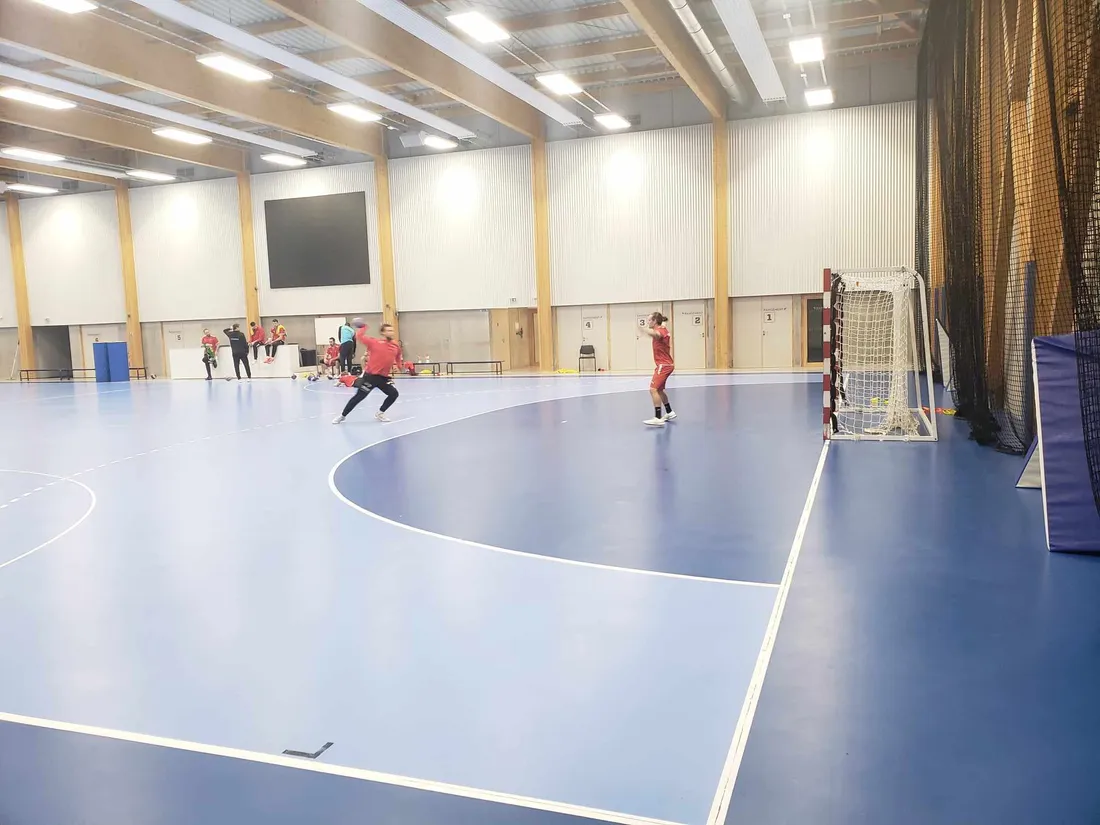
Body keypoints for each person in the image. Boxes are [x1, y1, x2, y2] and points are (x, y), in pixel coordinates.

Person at [332, 323, 402, 424]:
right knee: (359, 397)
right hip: (370, 377)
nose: (391, 332)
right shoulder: (374, 342)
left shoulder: (395, 345)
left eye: (392, 330)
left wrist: (397, 365)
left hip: (383, 378)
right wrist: (363, 327)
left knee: (394, 394)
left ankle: (380, 413)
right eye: (388, 330)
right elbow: (359, 336)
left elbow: (398, 356)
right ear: (382, 332)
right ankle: (342, 416)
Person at [640, 312, 676, 426]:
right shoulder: (663, 328)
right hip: (667, 365)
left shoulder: (660, 331)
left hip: (663, 365)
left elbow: (657, 335)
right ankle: (669, 412)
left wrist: (644, 331)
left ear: (655, 321)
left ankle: (657, 417)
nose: (648, 322)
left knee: (653, 389)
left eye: (650, 320)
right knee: (659, 390)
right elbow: (661, 326)